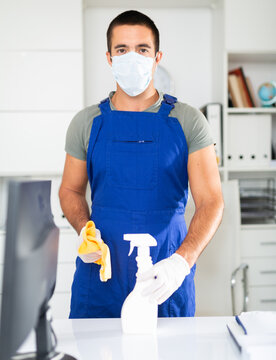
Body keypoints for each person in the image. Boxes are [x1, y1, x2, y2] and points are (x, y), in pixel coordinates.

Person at [59, 10, 224, 318]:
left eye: (142, 49)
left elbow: (212, 201)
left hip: (164, 276)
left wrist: (180, 263)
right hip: (100, 275)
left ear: (156, 56)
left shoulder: (188, 121)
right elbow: (69, 190)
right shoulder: (86, 123)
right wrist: (85, 231)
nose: (131, 57)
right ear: (109, 58)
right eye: (122, 50)